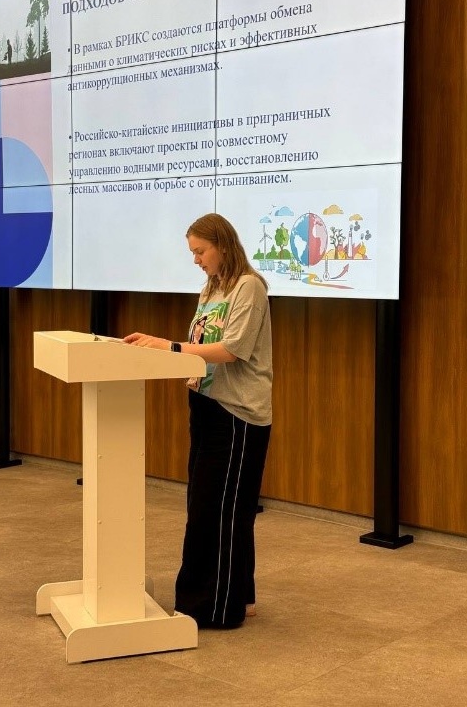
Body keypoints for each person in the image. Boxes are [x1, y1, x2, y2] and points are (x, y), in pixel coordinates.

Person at [124, 212, 272, 629]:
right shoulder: (212, 287)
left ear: (223, 245)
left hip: (237, 413)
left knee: (217, 510)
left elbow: (231, 350)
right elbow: (200, 344)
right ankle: (239, 596)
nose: (196, 260)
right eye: (193, 253)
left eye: (200, 251)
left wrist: (168, 347)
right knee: (214, 506)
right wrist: (162, 351)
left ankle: (210, 609)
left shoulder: (249, 287)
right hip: (206, 404)